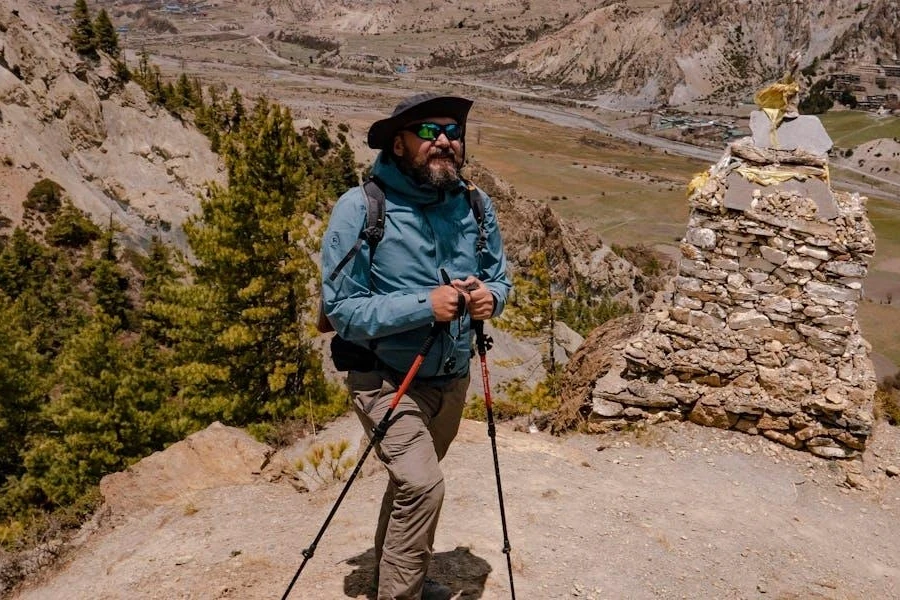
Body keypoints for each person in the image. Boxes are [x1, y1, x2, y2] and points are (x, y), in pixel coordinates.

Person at [320, 93, 512, 600]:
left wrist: (492, 298)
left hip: (451, 378)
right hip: (385, 379)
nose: (445, 140)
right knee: (424, 486)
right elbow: (342, 310)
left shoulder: (475, 203)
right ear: (399, 143)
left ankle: (398, 573)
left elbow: (499, 278)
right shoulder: (360, 208)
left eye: (452, 130)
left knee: (412, 487)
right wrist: (423, 305)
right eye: (429, 132)